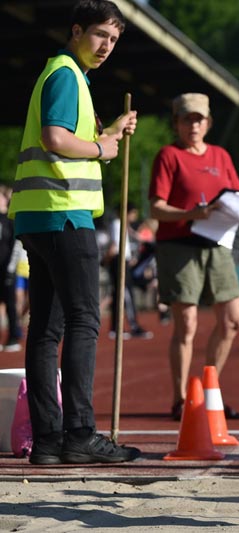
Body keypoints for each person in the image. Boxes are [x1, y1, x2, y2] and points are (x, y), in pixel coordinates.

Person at [8, 0, 140, 464]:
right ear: (77, 29)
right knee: (84, 321)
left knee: (44, 329)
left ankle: (47, 440)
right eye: (101, 35)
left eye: (114, 40)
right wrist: (103, 151)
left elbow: (71, 139)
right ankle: (79, 433)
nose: (107, 46)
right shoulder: (66, 73)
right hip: (66, 215)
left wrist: (111, 134)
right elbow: (55, 138)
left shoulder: (66, 76)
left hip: (39, 217)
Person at [149, 92, 239, 421]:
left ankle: (208, 391)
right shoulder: (169, 156)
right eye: (186, 119)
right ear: (176, 123)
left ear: (208, 123)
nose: (193, 125)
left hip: (218, 243)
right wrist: (192, 213)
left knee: (232, 320)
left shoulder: (220, 155)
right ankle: (181, 398)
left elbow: (233, 195)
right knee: (187, 325)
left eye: (198, 119)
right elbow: (156, 207)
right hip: (180, 245)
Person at [105, 203, 152, 340]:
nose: (135, 216)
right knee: (126, 294)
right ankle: (133, 326)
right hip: (119, 261)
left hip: (122, 260)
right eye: (133, 213)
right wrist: (108, 260)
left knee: (120, 295)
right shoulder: (117, 224)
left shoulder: (123, 225)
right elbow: (115, 246)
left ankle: (116, 328)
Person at [0, 186, 22, 352]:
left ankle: (14, 336)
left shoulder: (10, 220)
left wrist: (10, 268)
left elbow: (16, 245)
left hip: (7, 269)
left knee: (10, 304)